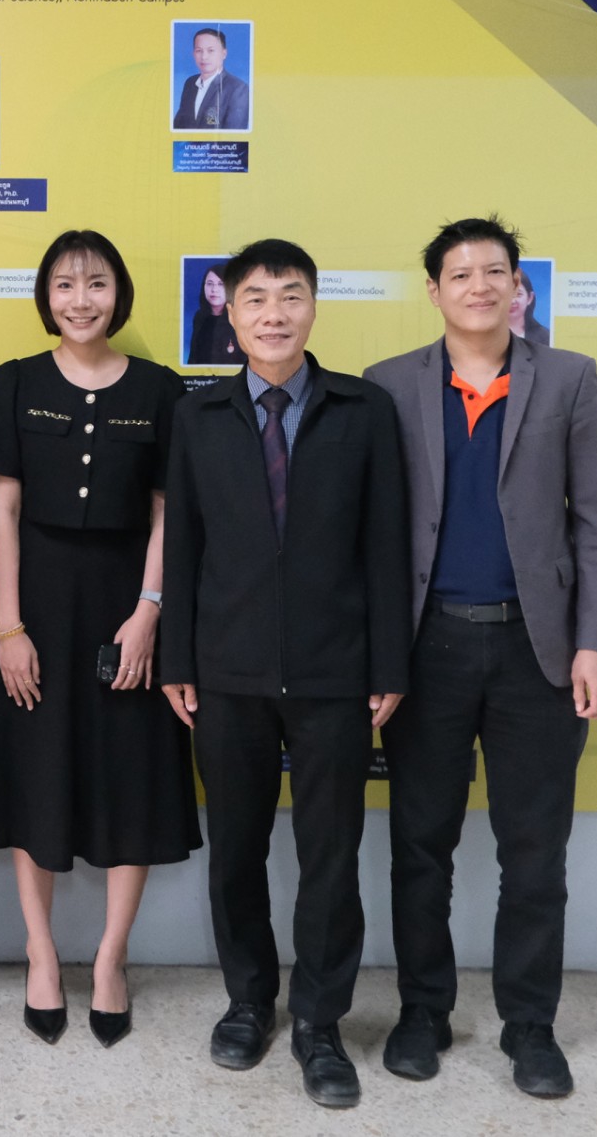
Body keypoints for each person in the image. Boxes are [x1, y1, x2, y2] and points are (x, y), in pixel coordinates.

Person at [363, 216, 597, 1100]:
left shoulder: (569, 377)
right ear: (433, 290)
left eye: (494, 272)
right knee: (419, 845)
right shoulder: (389, 385)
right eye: (460, 273)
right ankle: (422, 1010)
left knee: (535, 853)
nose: (478, 285)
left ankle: (530, 1025)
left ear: (519, 286)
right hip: (426, 646)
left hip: (536, 649)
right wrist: (375, 656)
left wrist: (595, 642)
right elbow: (369, 532)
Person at [162, 239, 409, 1109]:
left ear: (313, 306)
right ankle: (247, 1000)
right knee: (236, 847)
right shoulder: (198, 415)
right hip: (225, 670)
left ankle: (320, 1021)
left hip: (335, 669)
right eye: (257, 298)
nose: (274, 313)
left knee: (329, 855)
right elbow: (183, 544)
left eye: (291, 295)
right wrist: (178, 658)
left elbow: (387, 542)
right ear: (229, 313)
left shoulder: (364, 409)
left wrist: (389, 662)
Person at [0, 230, 199, 1048]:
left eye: (96, 284)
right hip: (36, 605)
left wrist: (149, 611)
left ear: (118, 294)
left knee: (132, 776)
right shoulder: (17, 381)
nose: (80, 300)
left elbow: (167, 510)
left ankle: (109, 958)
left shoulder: (161, 389)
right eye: (64, 284)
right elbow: (1, 510)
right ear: (46, 297)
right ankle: (40, 952)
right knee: (37, 773)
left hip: (128, 603)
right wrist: (8, 627)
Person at [172, 27, 250, 132]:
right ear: (193, 53)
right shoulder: (190, 83)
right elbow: (178, 124)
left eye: (211, 50)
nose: (204, 57)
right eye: (199, 50)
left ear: (224, 54)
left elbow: (234, 135)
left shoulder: (238, 89)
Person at [186, 264, 239, 366]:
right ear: (204, 286)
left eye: (221, 284)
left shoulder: (239, 319)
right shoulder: (199, 317)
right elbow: (193, 358)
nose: (214, 289)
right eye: (210, 284)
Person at [508, 268, 552, 346]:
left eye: (518, 294)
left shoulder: (546, 337)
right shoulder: (486, 334)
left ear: (530, 298)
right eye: (507, 294)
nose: (512, 301)